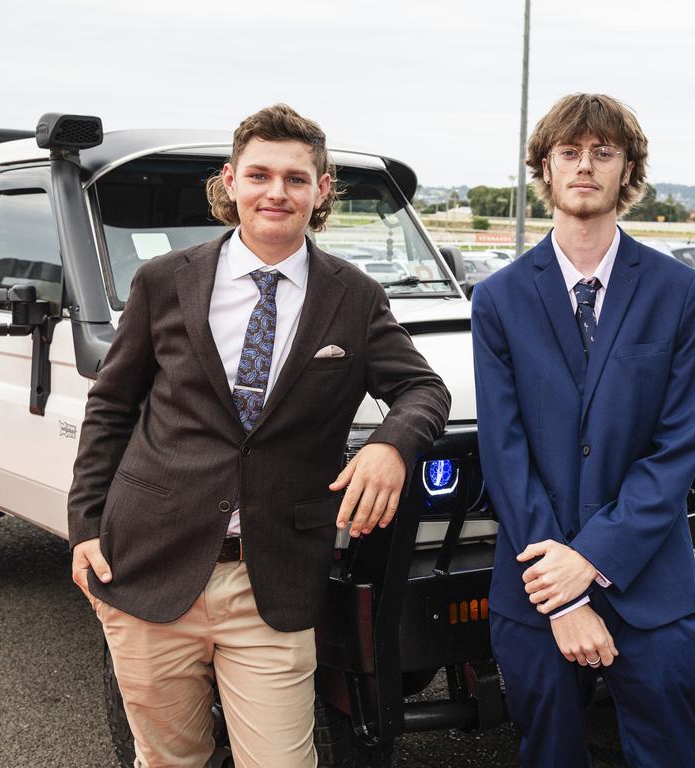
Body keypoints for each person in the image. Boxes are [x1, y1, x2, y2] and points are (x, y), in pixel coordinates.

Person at [68, 103, 449, 767]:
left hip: (271, 581)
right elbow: (110, 408)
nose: (278, 192)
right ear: (232, 181)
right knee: (167, 761)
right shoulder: (164, 281)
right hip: (148, 562)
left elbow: (423, 388)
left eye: (297, 179)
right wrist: (86, 528)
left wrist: (392, 444)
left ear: (322, 189)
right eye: (261, 175)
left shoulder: (353, 297)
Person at [472, 93, 695, 768]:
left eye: (603, 153)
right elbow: (506, 451)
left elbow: (677, 449)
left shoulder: (681, 292)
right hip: (536, 589)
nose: (586, 166)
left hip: (650, 583)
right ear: (544, 169)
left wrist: (593, 561)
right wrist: (564, 594)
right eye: (570, 152)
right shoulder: (498, 299)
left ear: (627, 170)